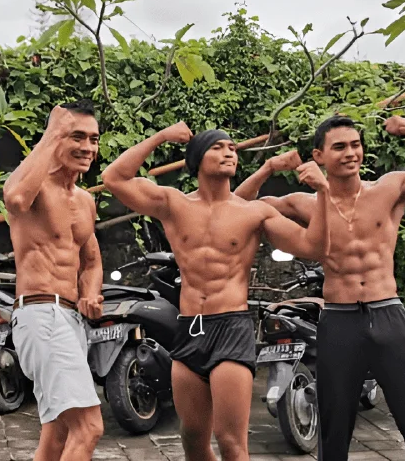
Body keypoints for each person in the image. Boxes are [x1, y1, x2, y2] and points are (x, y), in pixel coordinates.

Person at [235, 114, 405, 461]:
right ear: (318, 156)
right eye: (339, 147)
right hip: (340, 319)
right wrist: (269, 167)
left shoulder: (390, 188)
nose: (350, 153)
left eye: (355, 144)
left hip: (387, 313)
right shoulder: (305, 203)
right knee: (334, 427)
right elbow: (237, 207)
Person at [102, 122, 332, 461]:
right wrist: (162, 136)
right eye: (218, 147)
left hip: (232, 328)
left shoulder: (254, 212)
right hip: (190, 328)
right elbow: (114, 178)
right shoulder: (173, 204)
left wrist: (324, 193)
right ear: (197, 158)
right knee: (193, 440)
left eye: (233, 148)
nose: (229, 152)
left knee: (231, 443)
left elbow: (314, 246)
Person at [1, 101, 106, 461]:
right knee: (89, 427)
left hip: (71, 321)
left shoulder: (85, 201)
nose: (88, 147)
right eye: (77, 136)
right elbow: (13, 198)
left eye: (93, 139)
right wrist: (51, 132)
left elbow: (90, 259)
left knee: (58, 434)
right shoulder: (34, 189)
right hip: (41, 315)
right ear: (57, 137)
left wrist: (90, 293)